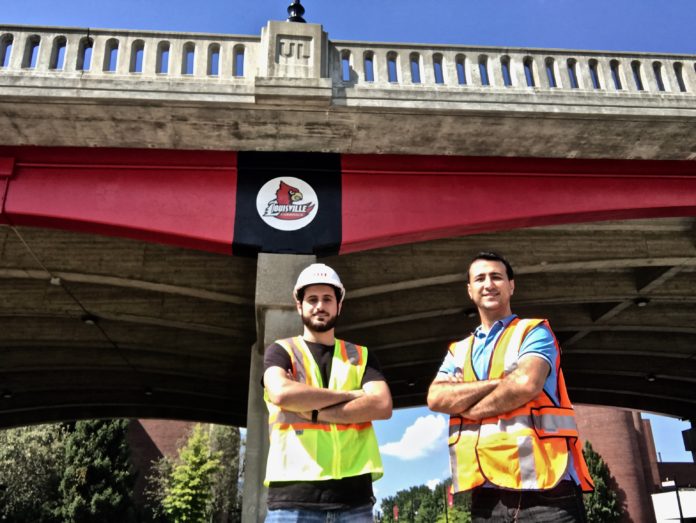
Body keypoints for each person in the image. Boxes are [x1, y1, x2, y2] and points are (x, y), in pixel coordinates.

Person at [427, 252, 594, 522]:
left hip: (547, 493)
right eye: (479, 278)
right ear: (470, 291)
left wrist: (467, 402)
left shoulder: (534, 331)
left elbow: (526, 383)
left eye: (496, 277)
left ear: (511, 285)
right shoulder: (458, 350)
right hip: (487, 498)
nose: (488, 284)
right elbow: (436, 397)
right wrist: (503, 382)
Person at [262, 263, 392, 522]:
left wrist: (310, 409)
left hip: (354, 500)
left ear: (339, 305)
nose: (320, 306)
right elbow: (281, 393)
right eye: (312, 299)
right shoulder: (281, 351)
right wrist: (352, 395)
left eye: (327, 299)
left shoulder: (361, 355)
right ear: (299, 305)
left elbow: (381, 405)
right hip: (293, 501)